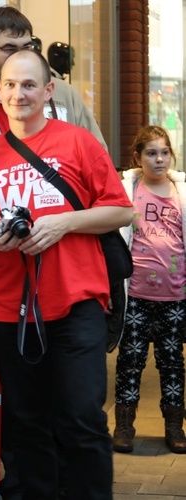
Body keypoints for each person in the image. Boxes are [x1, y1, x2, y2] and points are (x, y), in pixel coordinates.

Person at [0, 7, 108, 498]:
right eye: (8, 51)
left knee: (78, 412)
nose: (19, 69)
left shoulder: (68, 108)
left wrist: (68, 225)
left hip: (74, 284)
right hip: (10, 285)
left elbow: (106, 191)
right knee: (24, 412)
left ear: (46, 87)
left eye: (27, 46)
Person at [112, 125, 186, 454]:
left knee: (172, 364)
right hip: (136, 297)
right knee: (130, 362)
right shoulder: (128, 189)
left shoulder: (181, 192)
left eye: (164, 152)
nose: (159, 159)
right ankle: (124, 426)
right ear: (137, 158)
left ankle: (174, 427)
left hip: (175, 296)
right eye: (151, 153)